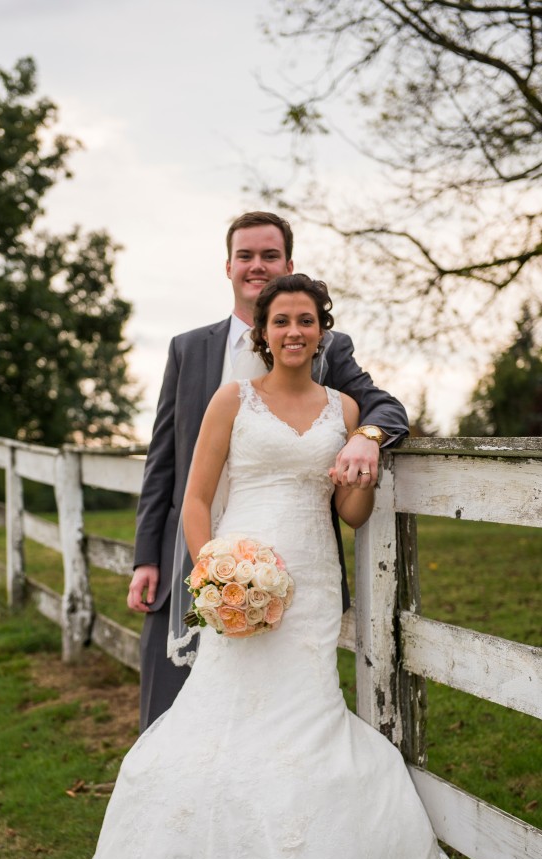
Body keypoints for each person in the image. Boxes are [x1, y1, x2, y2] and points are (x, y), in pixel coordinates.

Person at [64, 274, 465, 859]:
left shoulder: (343, 407)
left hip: (307, 585)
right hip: (235, 578)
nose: (293, 333)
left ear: (322, 330)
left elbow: (349, 515)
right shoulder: (232, 400)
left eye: (305, 321)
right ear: (263, 332)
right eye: (280, 322)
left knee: (305, 722)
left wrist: (358, 478)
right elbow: (193, 499)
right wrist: (212, 574)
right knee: (219, 721)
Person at [128, 211, 409, 731]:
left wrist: (368, 440)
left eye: (270, 256)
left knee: (293, 707)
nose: (257, 266)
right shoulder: (189, 350)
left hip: (303, 559)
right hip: (198, 556)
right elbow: (162, 459)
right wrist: (153, 558)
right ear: (229, 265)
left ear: (288, 264)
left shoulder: (329, 350)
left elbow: (382, 407)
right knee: (182, 701)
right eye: (246, 256)